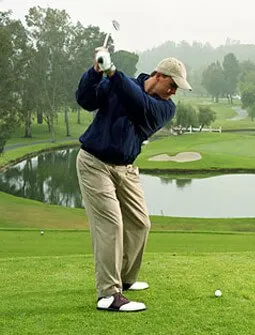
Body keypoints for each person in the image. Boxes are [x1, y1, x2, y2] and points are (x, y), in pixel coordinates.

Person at [75, 47, 192, 312]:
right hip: (94, 163)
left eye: (177, 89)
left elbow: (139, 103)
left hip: (125, 168)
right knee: (111, 225)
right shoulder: (120, 85)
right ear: (158, 75)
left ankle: (125, 280)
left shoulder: (164, 109)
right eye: (172, 85)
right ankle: (108, 294)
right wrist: (95, 73)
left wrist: (114, 73)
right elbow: (86, 100)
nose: (174, 92)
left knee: (140, 224)